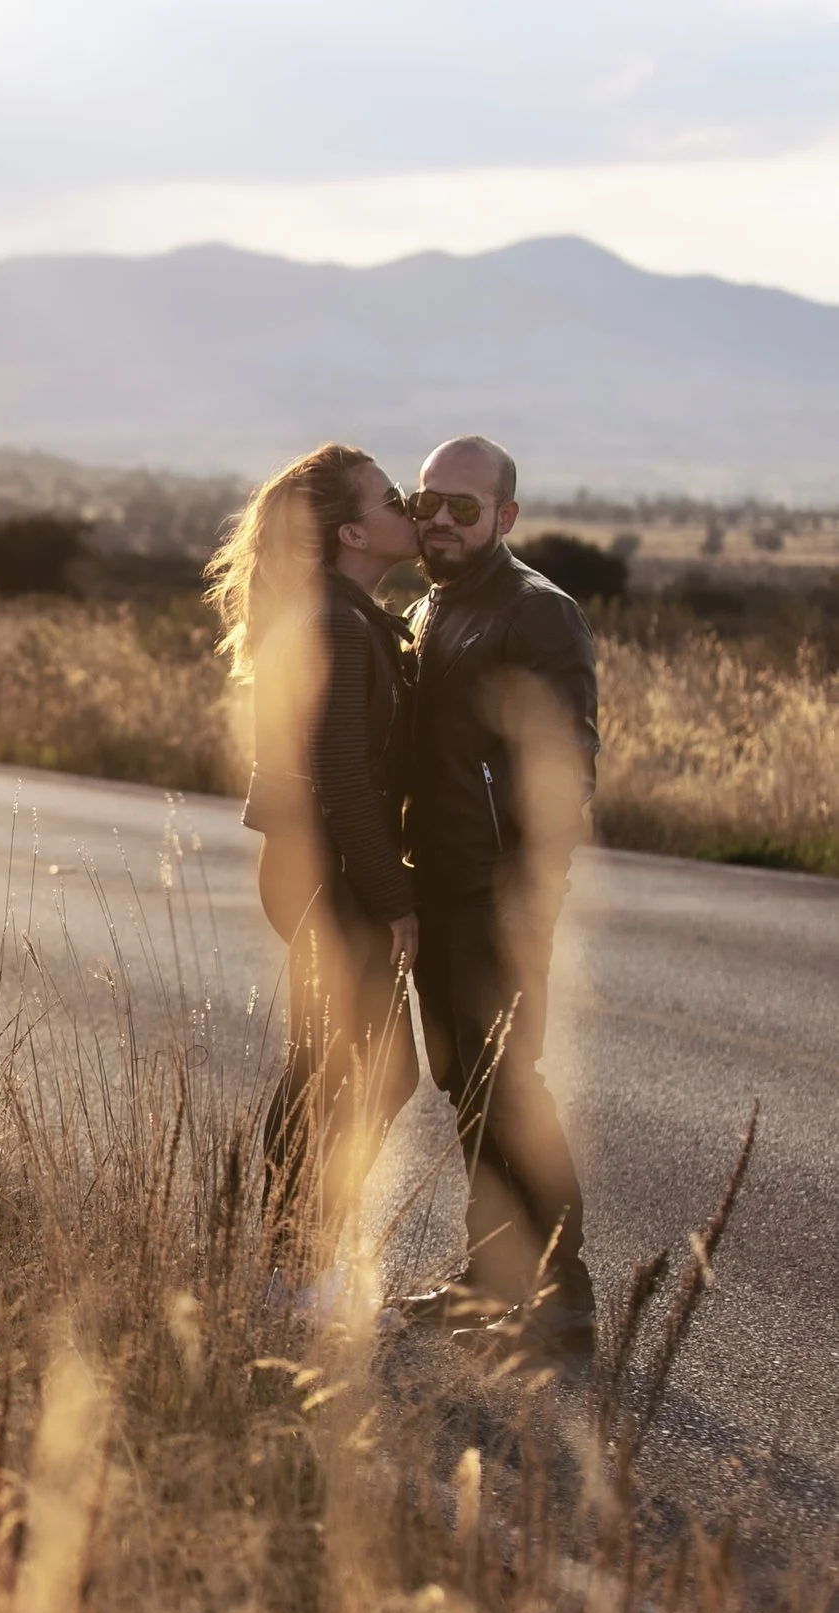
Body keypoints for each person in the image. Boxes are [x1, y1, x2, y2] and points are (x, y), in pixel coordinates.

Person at [388, 435, 601, 1364]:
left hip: (497, 900)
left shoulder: (536, 615)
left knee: (508, 1086)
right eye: (423, 500)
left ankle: (564, 1297)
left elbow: (563, 776)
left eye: (461, 507)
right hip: (437, 890)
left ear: (505, 518)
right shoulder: (433, 605)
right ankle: (489, 1276)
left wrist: (523, 906)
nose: (437, 519)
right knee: (464, 1087)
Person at [208, 444, 422, 1271]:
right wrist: (394, 896)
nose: (410, 510)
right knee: (339, 1078)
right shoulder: (333, 621)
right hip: (330, 877)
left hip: (322, 873)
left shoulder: (341, 614)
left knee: (345, 1074)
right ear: (352, 533)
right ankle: (295, 1268)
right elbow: (340, 779)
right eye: (393, 499)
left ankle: (303, 1256)